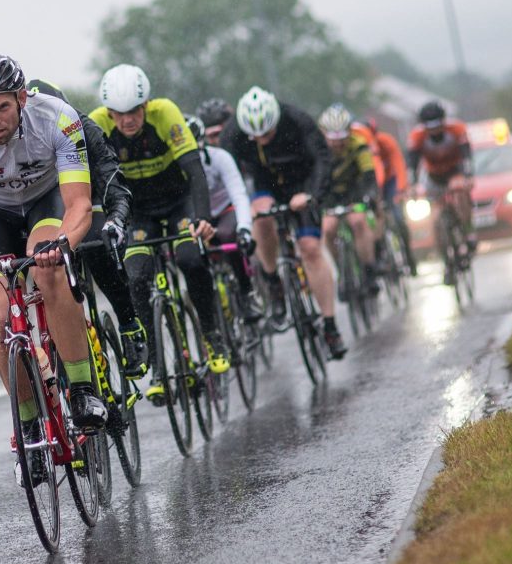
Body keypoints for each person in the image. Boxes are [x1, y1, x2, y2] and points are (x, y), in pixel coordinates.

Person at [0, 54, 108, 449]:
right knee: (0, 317)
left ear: (21, 98)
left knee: (48, 271)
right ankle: (29, 422)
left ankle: (82, 389)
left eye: (1, 107)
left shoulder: (57, 118)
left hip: (47, 203)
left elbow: (79, 203)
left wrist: (61, 245)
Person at [87, 64, 229, 405]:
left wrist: (203, 219)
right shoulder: (97, 123)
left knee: (191, 260)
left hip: (177, 202)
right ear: (109, 112)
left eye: (134, 111)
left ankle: (211, 336)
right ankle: (156, 365)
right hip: (137, 210)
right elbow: (93, 183)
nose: (127, 121)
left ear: (146, 105)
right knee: (136, 276)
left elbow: (194, 170)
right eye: (118, 114)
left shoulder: (166, 113)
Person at [25, 78, 149, 379]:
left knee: (96, 245)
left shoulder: (82, 125)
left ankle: (129, 323)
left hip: (85, 198)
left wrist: (115, 218)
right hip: (43, 209)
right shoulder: (18, 134)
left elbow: (110, 178)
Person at [220, 86, 347, 360]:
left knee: (311, 249)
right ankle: (272, 280)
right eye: (256, 136)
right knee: (262, 221)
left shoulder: (297, 120)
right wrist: (248, 203)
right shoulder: (233, 132)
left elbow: (323, 160)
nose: (262, 139)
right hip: (265, 185)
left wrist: (311, 194)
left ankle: (330, 326)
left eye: (267, 133)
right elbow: (228, 173)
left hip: (302, 182)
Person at [184, 113, 262, 321]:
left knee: (230, 236)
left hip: (225, 211)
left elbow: (238, 193)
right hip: (196, 216)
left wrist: (244, 229)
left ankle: (246, 293)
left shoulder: (220, 158)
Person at [406, 100, 475, 285]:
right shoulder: (417, 136)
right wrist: (412, 185)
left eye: (438, 126)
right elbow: (412, 165)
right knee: (435, 219)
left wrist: (468, 176)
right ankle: (447, 262)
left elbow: (467, 156)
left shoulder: (457, 128)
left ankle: (468, 232)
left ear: (444, 122)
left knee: (459, 191)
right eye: (430, 128)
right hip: (434, 176)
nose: (434, 131)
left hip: (455, 171)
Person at [316, 103, 381, 298]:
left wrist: (369, 194)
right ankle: (341, 271)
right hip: (329, 193)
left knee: (358, 222)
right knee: (328, 228)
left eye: (342, 138)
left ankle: (369, 271)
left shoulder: (359, 144)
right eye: (333, 139)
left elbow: (369, 174)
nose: (338, 144)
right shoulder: (317, 149)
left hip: (354, 189)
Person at [352, 117, 417, 276]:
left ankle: (408, 254)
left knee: (398, 217)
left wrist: (402, 189)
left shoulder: (386, 142)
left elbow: (398, 165)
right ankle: (377, 250)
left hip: (389, 182)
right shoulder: (358, 146)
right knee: (371, 218)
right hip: (369, 184)